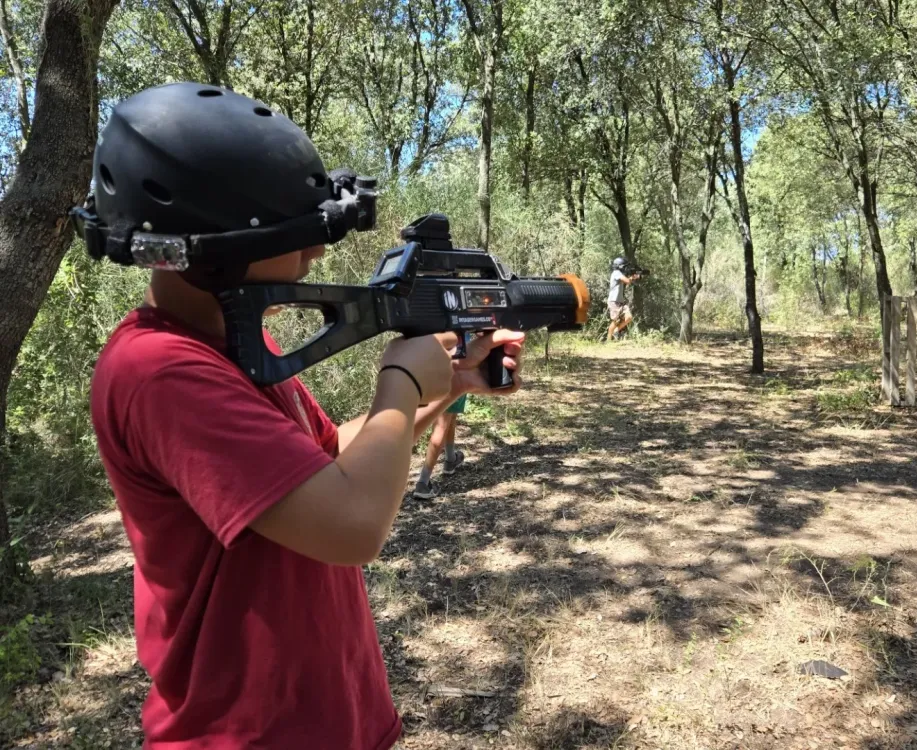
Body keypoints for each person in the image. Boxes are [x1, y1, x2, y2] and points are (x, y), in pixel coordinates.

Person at [80, 82, 525, 750]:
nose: (317, 253)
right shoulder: (160, 371)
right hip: (245, 732)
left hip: (321, 716)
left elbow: (328, 463)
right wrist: (399, 378)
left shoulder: (229, 351)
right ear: (221, 249)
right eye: (299, 233)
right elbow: (350, 527)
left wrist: (445, 384)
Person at [413, 389, 467, 500]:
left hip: (434, 378)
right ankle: (423, 483)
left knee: (450, 416)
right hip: (452, 379)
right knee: (441, 426)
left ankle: (451, 459)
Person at [607, 256, 641, 341]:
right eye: (625, 266)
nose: (626, 268)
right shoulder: (616, 273)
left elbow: (626, 281)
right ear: (620, 266)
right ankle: (608, 340)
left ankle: (615, 331)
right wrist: (633, 277)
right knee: (616, 321)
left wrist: (633, 276)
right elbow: (627, 281)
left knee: (628, 317)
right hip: (614, 301)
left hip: (620, 301)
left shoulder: (619, 273)